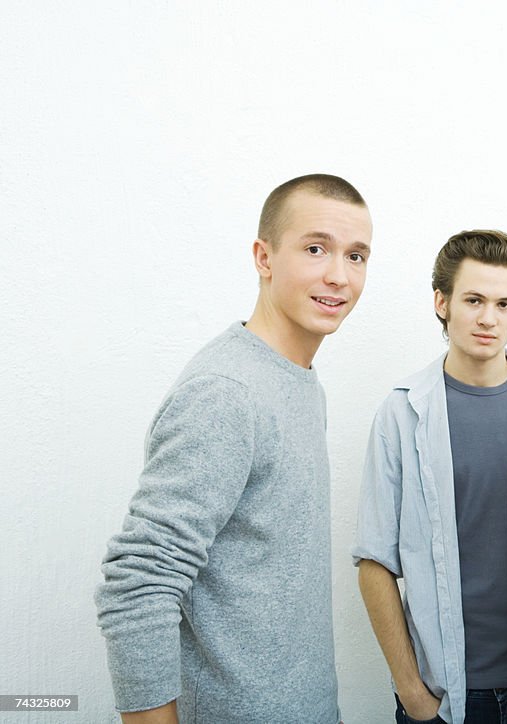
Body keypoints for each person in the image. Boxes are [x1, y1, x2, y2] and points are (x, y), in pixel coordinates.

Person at [95, 174, 372, 724]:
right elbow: (138, 582)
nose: (339, 276)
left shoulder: (297, 381)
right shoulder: (227, 392)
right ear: (263, 257)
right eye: (316, 249)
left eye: (357, 256)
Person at [353, 230, 507, 724]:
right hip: (445, 696)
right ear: (442, 302)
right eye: (474, 300)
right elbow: (374, 562)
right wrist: (413, 693)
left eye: (505, 303)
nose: (488, 318)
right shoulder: (402, 413)